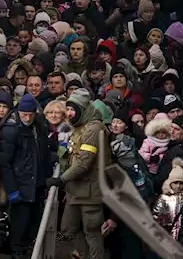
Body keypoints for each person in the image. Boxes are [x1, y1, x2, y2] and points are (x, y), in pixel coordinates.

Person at [49, 92, 107, 259]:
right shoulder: (78, 127)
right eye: (66, 109)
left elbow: (83, 163)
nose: (68, 113)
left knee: (92, 233)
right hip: (74, 191)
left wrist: (61, 179)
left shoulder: (94, 129)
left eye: (72, 109)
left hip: (90, 192)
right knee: (67, 230)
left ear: (82, 109)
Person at [0, 92, 49, 259]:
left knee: (33, 222)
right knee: (19, 225)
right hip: (20, 184)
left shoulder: (39, 127)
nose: (27, 118)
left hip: (36, 183)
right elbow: (4, 163)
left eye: (30, 114)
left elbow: (43, 153)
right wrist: (12, 190)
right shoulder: (11, 130)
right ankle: (17, 252)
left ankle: (25, 250)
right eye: (24, 114)